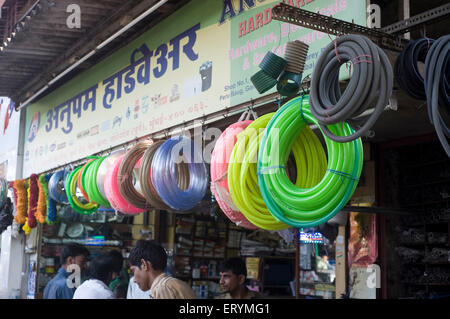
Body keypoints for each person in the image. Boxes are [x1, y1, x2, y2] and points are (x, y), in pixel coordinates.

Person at [129, 240, 196, 299]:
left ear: (144, 265)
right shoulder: (170, 284)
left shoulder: (162, 288)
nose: (134, 280)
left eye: (133, 271)